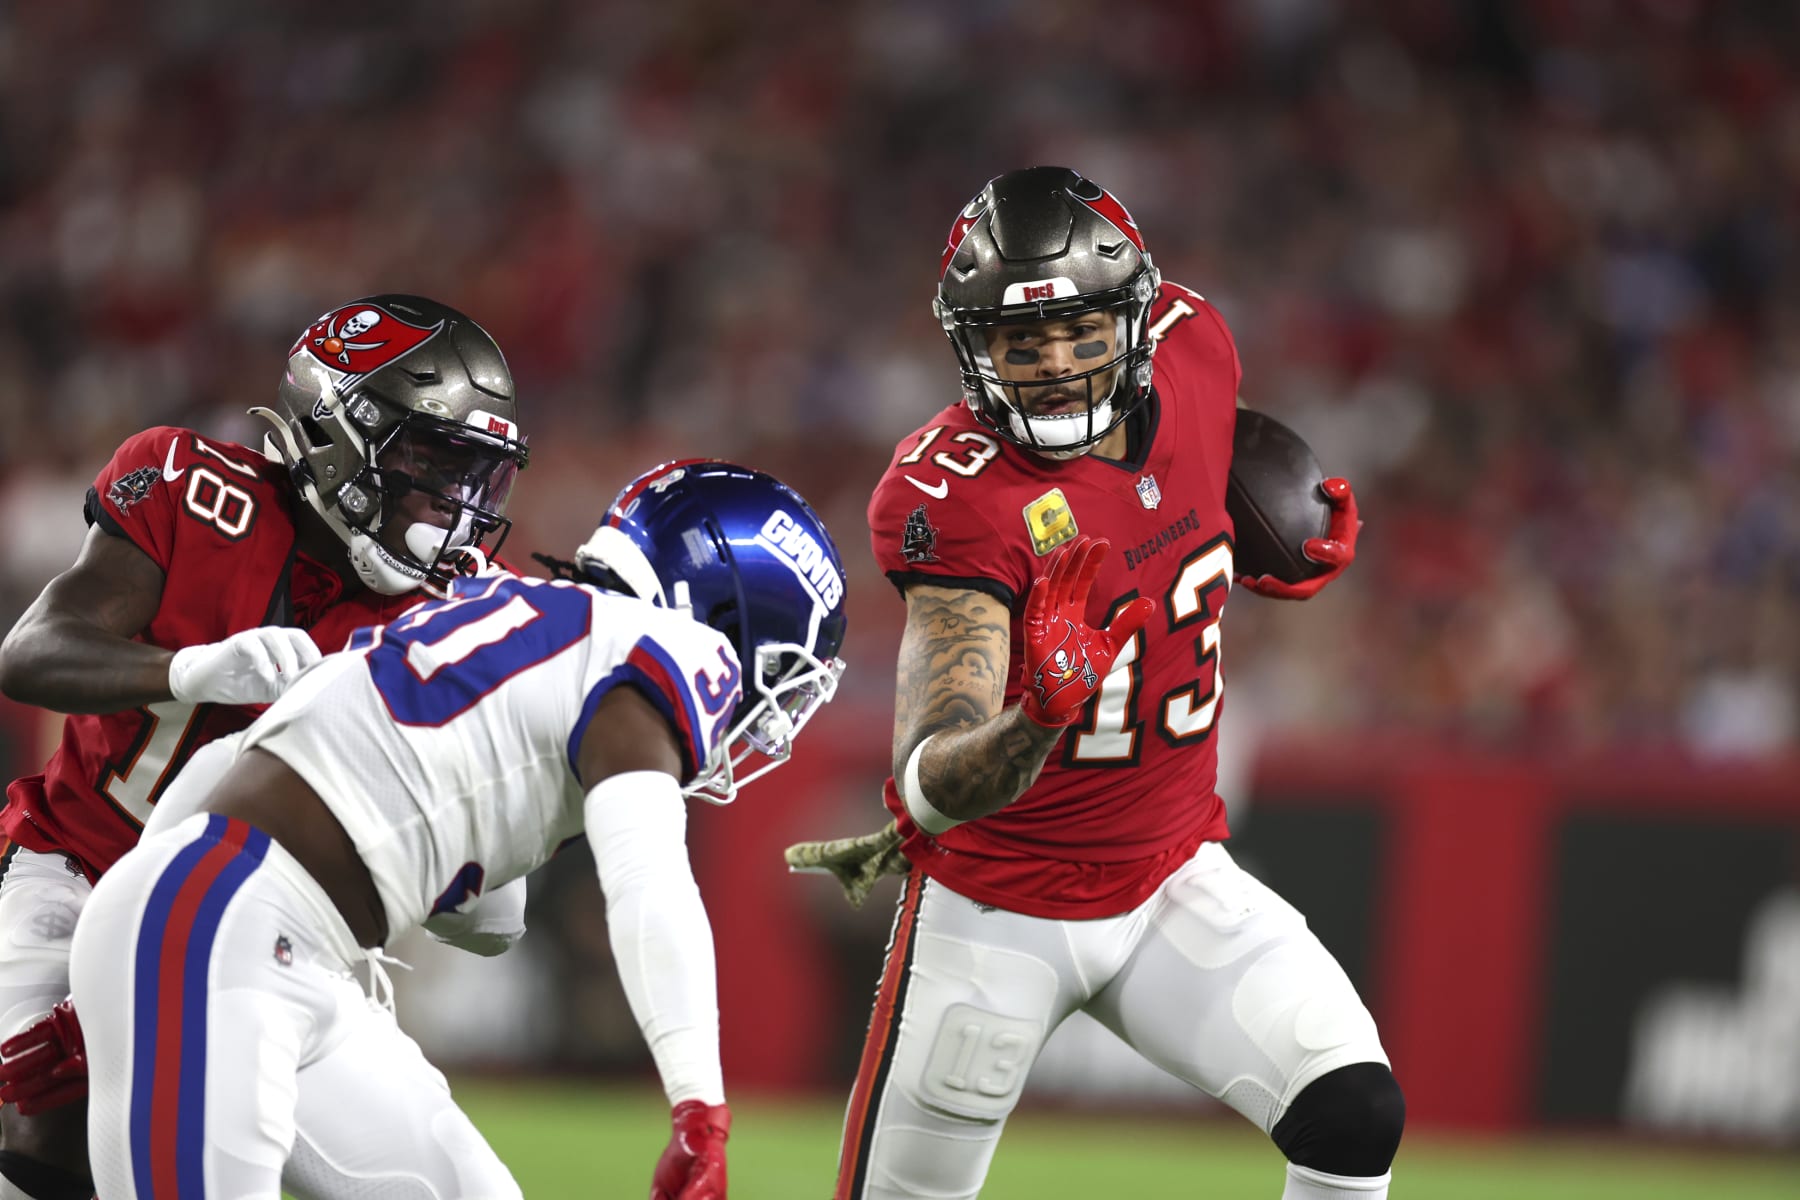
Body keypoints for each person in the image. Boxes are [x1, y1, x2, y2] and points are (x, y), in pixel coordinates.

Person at [786, 167, 1404, 1200]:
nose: (1056, 365)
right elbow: (930, 782)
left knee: (1354, 1111)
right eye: (1021, 342)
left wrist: (1271, 544)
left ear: (1137, 318)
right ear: (973, 349)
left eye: (1080, 331)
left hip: (1172, 875)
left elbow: (1187, 489)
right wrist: (1038, 717)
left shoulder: (1197, 346)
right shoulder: (954, 496)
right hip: (997, 906)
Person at [66, 459, 848, 1198]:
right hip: (230, 931)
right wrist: (699, 1110)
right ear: (721, 615)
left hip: (251, 931)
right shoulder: (674, 650)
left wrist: (122, 956)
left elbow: (229, 767)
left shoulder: (498, 612)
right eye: (782, 673)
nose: (768, 718)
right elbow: (649, 880)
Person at [0, 294, 532, 1200]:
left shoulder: (468, 609)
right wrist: (186, 672)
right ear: (340, 432)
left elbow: (486, 912)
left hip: (276, 934)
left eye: (479, 477)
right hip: (78, 879)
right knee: (41, 1127)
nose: (458, 508)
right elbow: (33, 652)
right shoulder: (193, 487)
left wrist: (473, 856)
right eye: (434, 464)